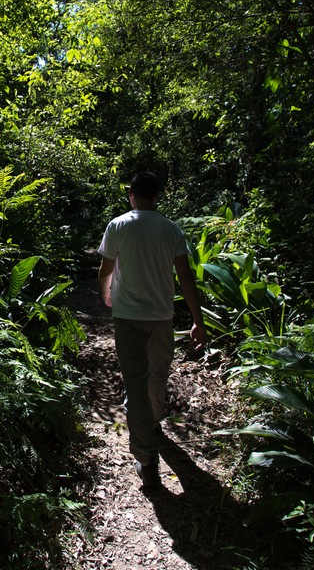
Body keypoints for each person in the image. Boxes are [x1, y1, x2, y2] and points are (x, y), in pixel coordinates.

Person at [97, 171, 207, 490]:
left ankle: (146, 460)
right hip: (162, 318)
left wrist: (106, 294)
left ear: (131, 194)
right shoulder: (171, 229)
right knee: (157, 377)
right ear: (156, 196)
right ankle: (152, 424)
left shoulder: (118, 225)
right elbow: (186, 277)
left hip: (128, 317)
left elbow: (105, 270)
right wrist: (197, 320)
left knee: (136, 384)